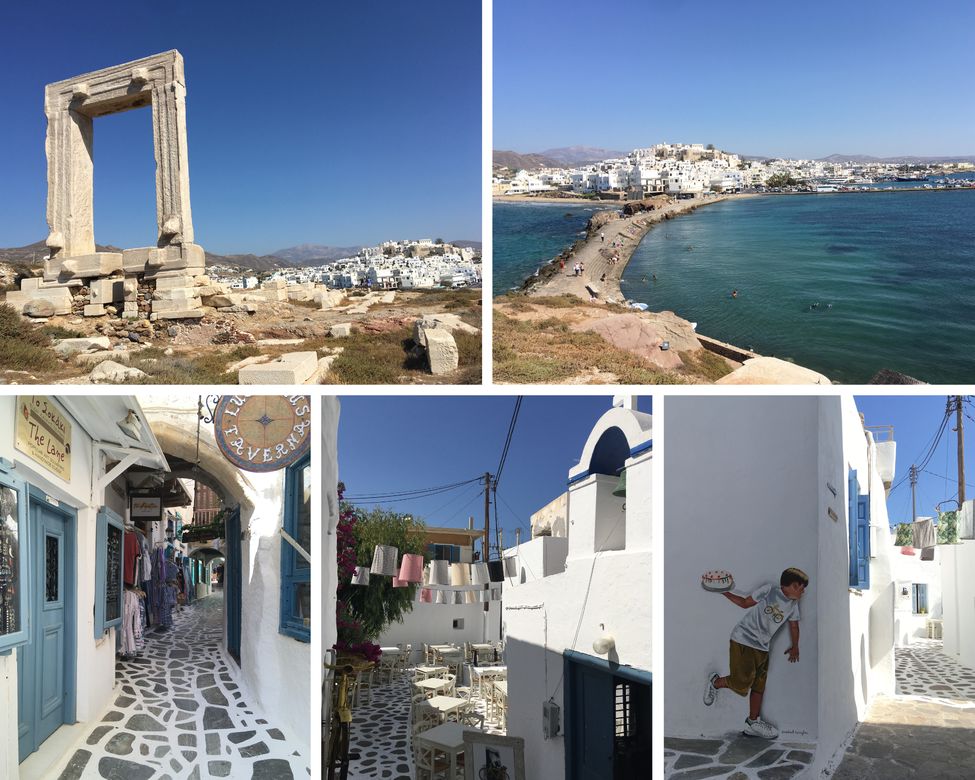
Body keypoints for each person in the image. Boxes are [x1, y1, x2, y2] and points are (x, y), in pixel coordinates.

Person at [703, 567, 808, 739]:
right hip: (743, 639)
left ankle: (753, 722)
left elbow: (794, 626)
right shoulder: (769, 590)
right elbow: (745, 603)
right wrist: (725, 592)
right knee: (740, 682)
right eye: (799, 587)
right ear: (786, 585)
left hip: (763, 648)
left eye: (804, 588)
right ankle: (715, 682)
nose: (803, 591)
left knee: (759, 686)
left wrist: (795, 646)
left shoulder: (793, 606)